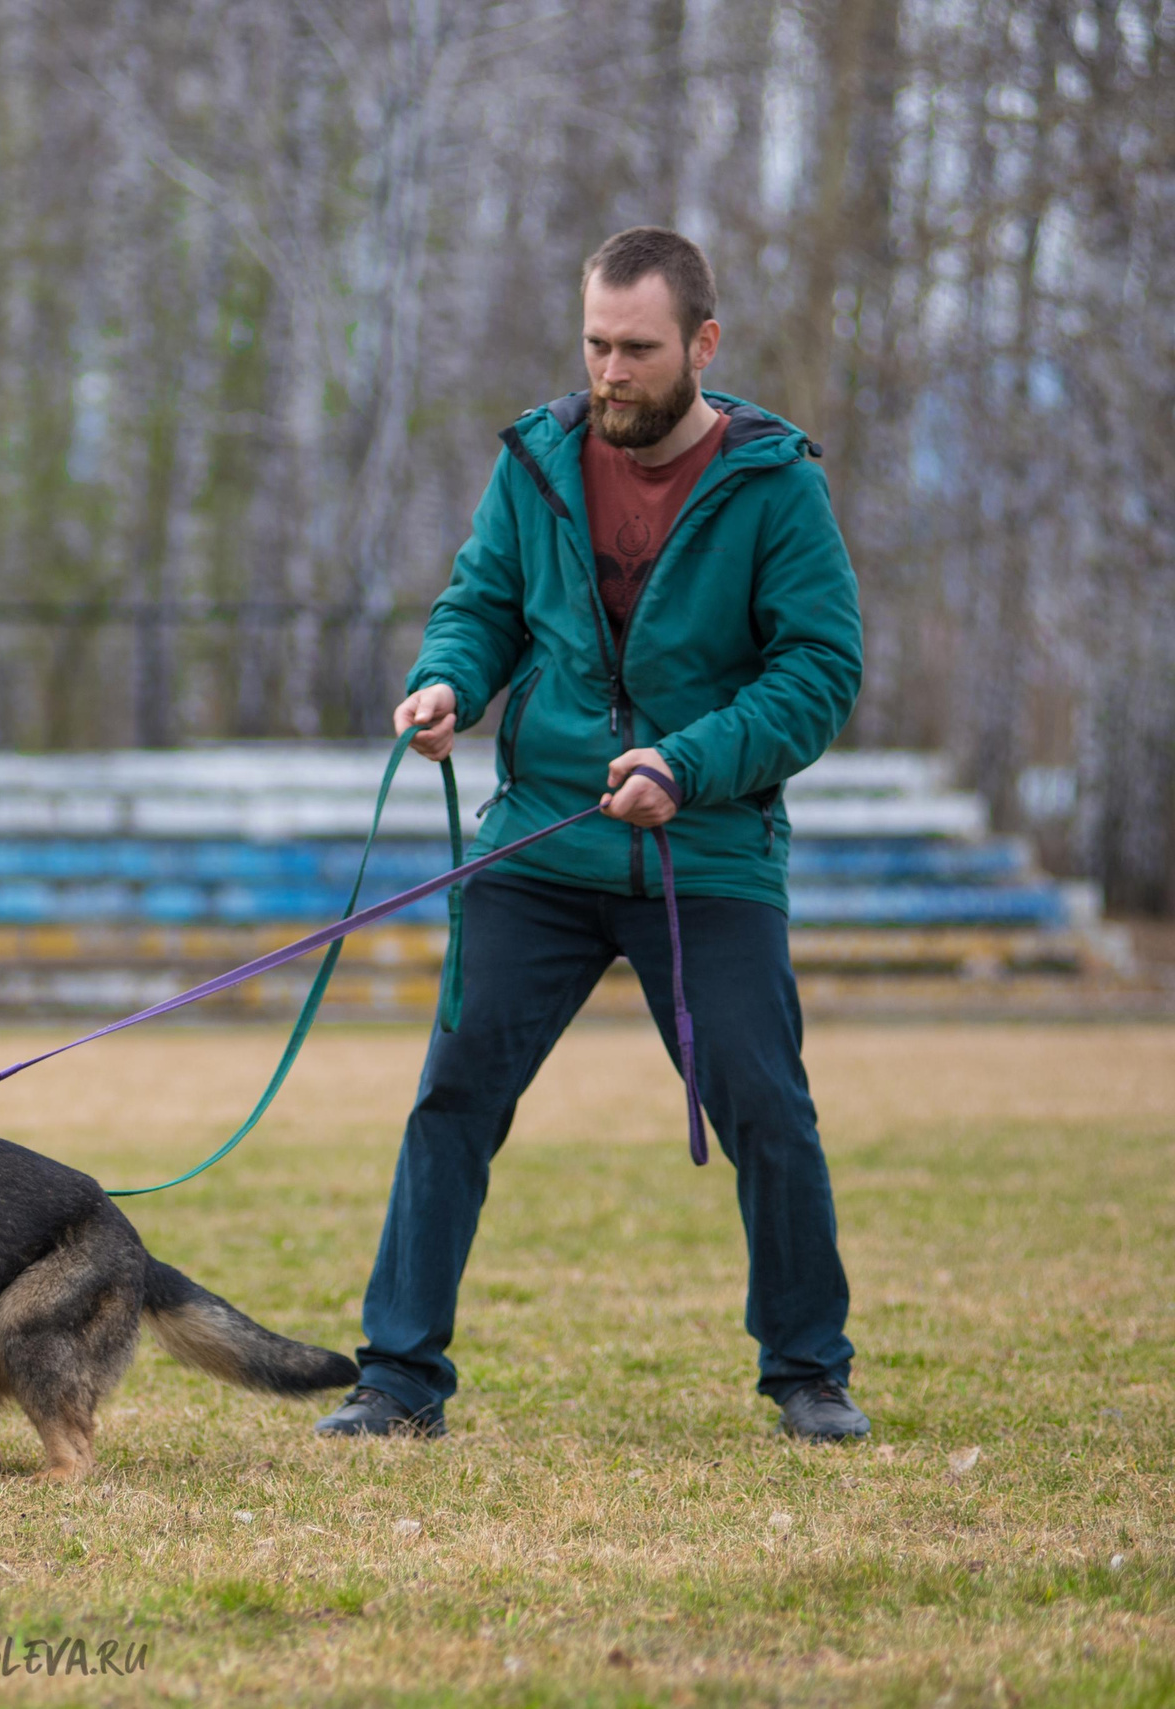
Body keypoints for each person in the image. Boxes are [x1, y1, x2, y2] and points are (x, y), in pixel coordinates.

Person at [315, 227, 870, 1444]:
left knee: (767, 1111)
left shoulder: (775, 484)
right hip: (540, 851)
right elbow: (482, 606)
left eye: (637, 348)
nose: (609, 371)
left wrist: (688, 762)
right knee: (449, 1099)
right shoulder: (538, 457)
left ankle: (806, 1371)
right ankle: (398, 1380)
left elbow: (822, 669)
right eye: (594, 344)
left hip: (707, 856)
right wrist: (447, 683)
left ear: (703, 345)